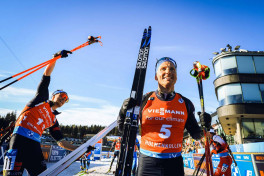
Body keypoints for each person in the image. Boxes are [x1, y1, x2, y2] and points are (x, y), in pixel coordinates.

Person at [117, 57, 212, 176]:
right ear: (156, 76)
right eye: (163, 69)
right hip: (147, 163)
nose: (168, 71)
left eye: (172, 69)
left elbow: (196, 134)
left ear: (176, 77)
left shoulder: (185, 103)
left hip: (174, 164)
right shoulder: (144, 100)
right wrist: (122, 111)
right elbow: (123, 129)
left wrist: (205, 125)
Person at [2, 50, 89, 176]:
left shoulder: (53, 119)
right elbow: (46, 75)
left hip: (34, 146)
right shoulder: (41, 98)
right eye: (62, 95)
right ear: (53, 96)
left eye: (66, 99)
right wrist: (55, 58)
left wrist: (81, 149)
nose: (63, 99)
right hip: (18, 142)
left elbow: (61, 142)